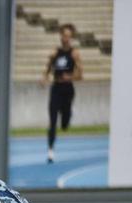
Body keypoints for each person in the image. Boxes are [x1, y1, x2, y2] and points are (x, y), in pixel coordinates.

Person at [41, 23, 83, 164]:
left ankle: (68, 114)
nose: (65, 38)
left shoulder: (74, 54)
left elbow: (80, 75)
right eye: (63, 35)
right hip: (56, 88)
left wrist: (70, 77)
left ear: (71, 38)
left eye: (68, 36)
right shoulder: (55, 53)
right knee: (52, 121)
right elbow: (47, 68)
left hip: (68, 90)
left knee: (64, 124)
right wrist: (45, 77)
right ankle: (50, 151)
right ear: (60, 36)